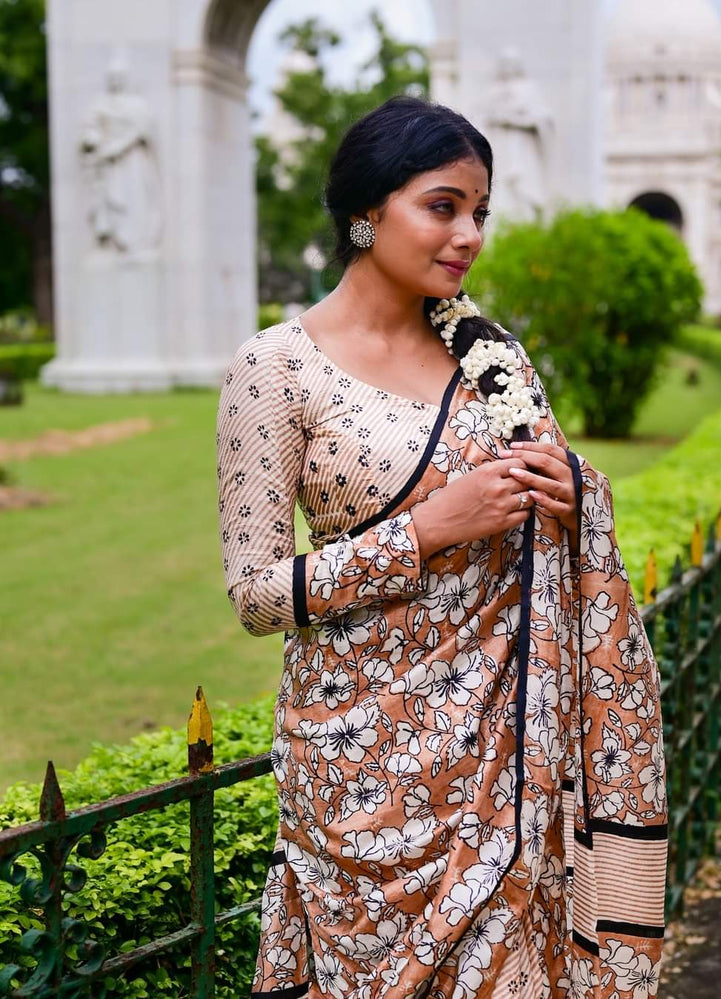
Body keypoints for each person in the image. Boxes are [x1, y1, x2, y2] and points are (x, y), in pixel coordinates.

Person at [216, 96, 667, 999]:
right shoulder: (276, 368)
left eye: (480, 212)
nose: (468, 234)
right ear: (366, 212)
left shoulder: (492, 357)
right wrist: (425, 529)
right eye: (443, 205)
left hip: (505, 765)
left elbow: (563, 501)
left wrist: (580, 498)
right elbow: (257, 593)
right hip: (358, 773)